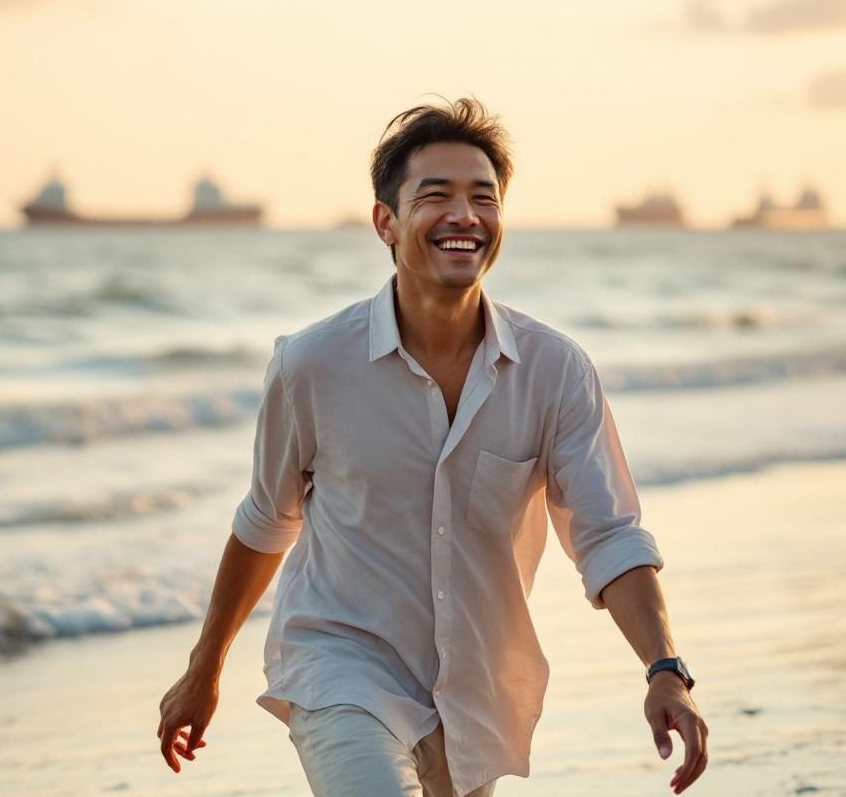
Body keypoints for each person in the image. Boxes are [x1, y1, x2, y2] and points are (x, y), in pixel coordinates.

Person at [156, 98, 708, 796]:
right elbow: (266, 522)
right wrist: (203, 672)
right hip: (338, 666)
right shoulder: (312, 365)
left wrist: (664, 669)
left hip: (476, 688)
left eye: (484, 198)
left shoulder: (554, 370)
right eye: (436, 196)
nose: (465, 216)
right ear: (385, 221)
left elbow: (608, 536)